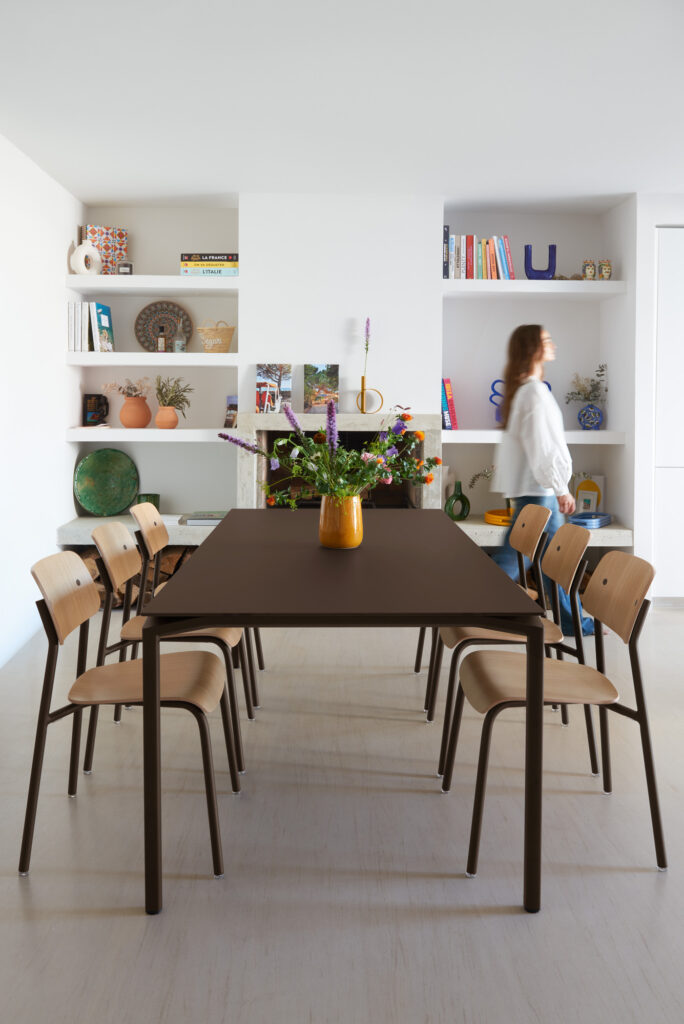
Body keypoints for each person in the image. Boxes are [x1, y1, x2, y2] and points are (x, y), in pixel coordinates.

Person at [491, 324, 594, 636]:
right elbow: (543, 446)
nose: (553, 344)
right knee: (531, 560)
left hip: (534, 490)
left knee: (545, 560)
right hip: (539, 491)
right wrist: (560, 487)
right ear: (532, 348)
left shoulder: (526, 390)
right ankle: (470, 603)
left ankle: (572, 621)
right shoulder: (533, 393)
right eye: (546, 340)